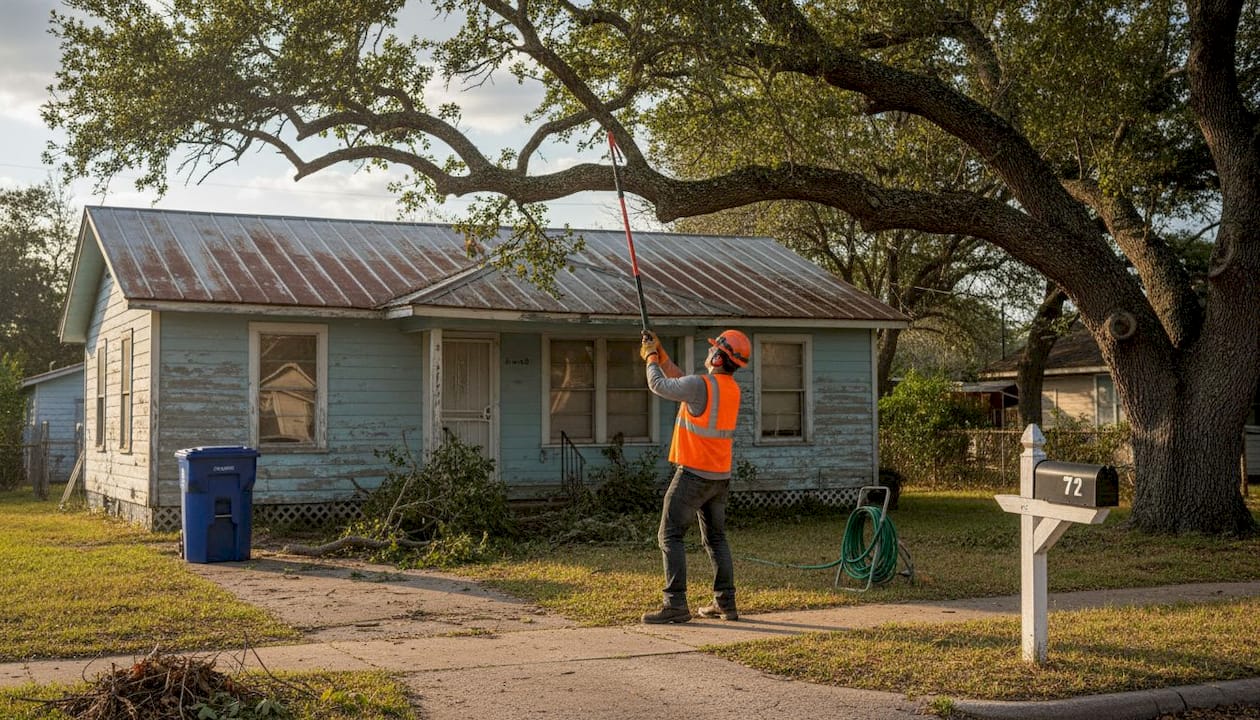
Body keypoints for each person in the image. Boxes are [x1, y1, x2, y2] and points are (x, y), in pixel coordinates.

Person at [639, 328, 751, 624]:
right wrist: (662, 355)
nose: (708, 352)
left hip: (693, 476)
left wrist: (650, 358)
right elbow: (681, 381)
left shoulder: (701, 385)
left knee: (669, 534)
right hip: (719, 477)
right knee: (716, 538)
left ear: (716, 357)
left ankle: (674, 604)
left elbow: (660, 385)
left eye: (712, 348)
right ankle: (726, 603)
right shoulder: (728, 388)